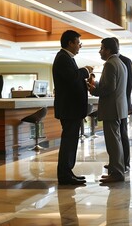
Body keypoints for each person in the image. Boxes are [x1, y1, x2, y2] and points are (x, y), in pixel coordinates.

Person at [53, 30, 93, 185]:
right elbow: (72, 78)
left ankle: (68, 172)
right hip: (69, 109)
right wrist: (85, 71)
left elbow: (73, 79)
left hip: (72, 109)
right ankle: (64, 175)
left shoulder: (67, 58)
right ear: (70, 43)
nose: (79, 47)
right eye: (78, 43)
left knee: (71, 142)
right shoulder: (63, 58)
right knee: (68, 142)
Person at [89, 37, 128, 183]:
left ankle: (117, 173)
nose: (100, 51)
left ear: (108, 50)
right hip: (118, 108)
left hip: (112, 108)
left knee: (113, 142)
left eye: (101, 48)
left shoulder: (110, 64)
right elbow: (112, 84)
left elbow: (109, 88)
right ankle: (115, 168)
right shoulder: (120, 63)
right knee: (115, 140)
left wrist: (94, 90)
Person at [110, 37, 132, 173]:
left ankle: (125, 162)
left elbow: (129, 84)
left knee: (123, 133)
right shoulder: (111, 61)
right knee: (115, 135)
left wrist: (127, 102)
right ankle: (115, 161)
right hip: (116, 103)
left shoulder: (125, 60)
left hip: (122, 103)